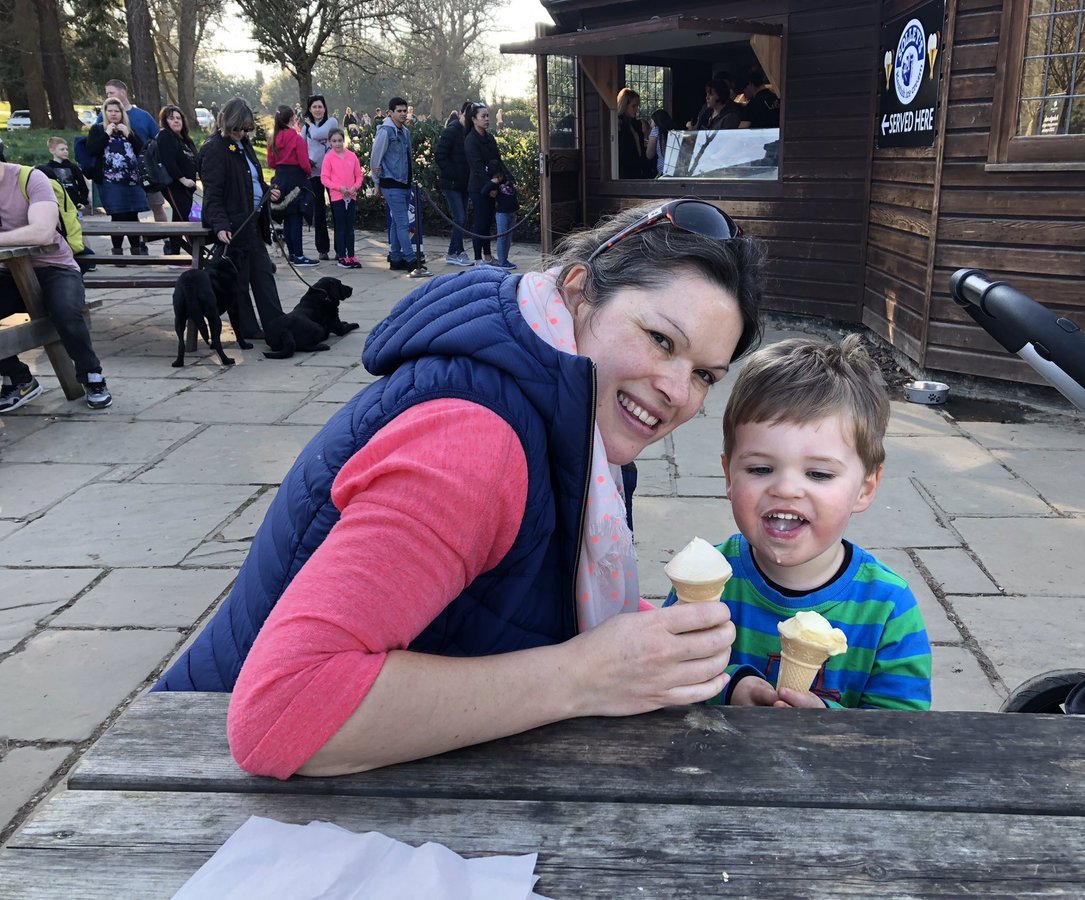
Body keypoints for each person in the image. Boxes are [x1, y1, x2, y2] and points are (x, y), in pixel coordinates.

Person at [153, 199, 764, 779]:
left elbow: (531, 597)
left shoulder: (581, 406)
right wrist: (583, 676)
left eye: (705, 375)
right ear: (579, 292)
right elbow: (279, 714)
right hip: (198, 804)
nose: (679, 392)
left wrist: (692, 671)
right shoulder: (476, 445)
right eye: (662, 340)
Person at [665, 336, 932, 711]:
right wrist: (731, 686)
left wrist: (827, 722)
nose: (787, 489)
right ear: (728, 476)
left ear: (864, 488)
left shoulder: (888, 609)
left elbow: (905, 730)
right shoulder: (707, 580)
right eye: (760, 468)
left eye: (819, 474)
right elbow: (665, 675)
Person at [0, 162, 111, 411]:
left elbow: (42, 233)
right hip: (7, 273)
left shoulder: (30, 179)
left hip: (55, 268)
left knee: (65, 312)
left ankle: (92, 375)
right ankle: (18, 378)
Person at [200, 97, 285, 338]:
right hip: (234, 226)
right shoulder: (214, 149)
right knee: (239, 281)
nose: (242, 132)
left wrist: (268, 190)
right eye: (238, 128)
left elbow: (252, 179)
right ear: (228, 122)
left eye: (246, 128)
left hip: (253, 222)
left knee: (263, 275)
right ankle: (247, 329)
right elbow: (213, 194)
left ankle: (276, 323)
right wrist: (220, 225)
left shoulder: (244, 144)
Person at [85, 98, 148, 256]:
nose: (113, 114)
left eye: (117, 111)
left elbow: (143, 150)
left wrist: (129, 135)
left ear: (122, 113)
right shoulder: (98, 129)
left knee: (133, 215)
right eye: (110, 111)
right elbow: (92, 149)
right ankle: (117, 253)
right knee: (118, 215)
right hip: (110, 181)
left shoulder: (128, 129)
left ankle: (136, 251)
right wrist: (107, 134)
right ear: (105, 113)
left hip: (132, 180)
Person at [105, 79, 168, 226]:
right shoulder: (105, 116)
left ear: (123, 92)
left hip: (147, 169)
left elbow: (158, 138)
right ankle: (139, 244)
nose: (108, 96)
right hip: (121, 173)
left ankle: (168, 239)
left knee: (157, 204)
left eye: (111, 92)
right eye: (107, 93)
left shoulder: (143, 116)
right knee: (130, 210)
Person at [369, 96, 418, 272]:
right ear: (390, 113)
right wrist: (376, 183)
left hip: (404, 183)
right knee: (404, 224)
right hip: (391, 184)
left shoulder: (405, 132)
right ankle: (411, 259)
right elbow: (375, 159)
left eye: (405, 111)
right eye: (399, 111)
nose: (403, 114)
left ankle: (396, 258)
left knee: (398, 223)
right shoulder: (385, 132)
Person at [267, 105, 318, 267]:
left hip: (280, 179)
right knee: (295, 218)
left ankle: (292, 253)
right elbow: (304, 162)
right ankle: (299, 256)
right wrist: (308, 172)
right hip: (296, 179)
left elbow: (271, 163)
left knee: (287, 218)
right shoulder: (296, 139)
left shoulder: (273, 138)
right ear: (292, 119)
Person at [155, 105, 199, 257]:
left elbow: (196, 160)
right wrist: (182, 179)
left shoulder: (185, 139)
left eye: (178, 118)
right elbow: (169, 161)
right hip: (174, 185)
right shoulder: (165, 136)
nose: (176, 121)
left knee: (178, 219)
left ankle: (175, 254)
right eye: (171, 118)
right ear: (165, 121)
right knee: (182, 220)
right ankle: (191, 253)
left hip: (188, 187)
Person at [434, 103, 472, 266]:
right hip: (451, 183)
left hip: (464, 183)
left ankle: (455, 251)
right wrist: (454, 174)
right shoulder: (451, 130)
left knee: (462, 218)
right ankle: (455, 251)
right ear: (462, 114)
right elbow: (440, 155)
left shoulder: (470, 132)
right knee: (460, 217)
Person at [463, 101, 501, 265]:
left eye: (487, 115)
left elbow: (497, 160)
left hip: (492, 184)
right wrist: (489, 186)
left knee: (488, 222)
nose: (487, 119)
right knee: (480, 223)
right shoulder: (470, 140)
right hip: (478, 188)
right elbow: (477, 167)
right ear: (474, 119)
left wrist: (498, 181)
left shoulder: (489, 137)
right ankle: (478, 259)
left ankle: (488, 255)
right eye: (483, 116)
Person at [321, 127, 363, 269]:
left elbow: (359, 176)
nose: (337, 144)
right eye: (334, 141)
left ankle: (351, 255)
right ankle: (342, 256)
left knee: (349, 227)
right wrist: (339, 188)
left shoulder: (352, 156)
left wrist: (354, 187)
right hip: (337, 197)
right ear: (329, 142)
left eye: (340, 140)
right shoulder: (329, 158)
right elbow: (324, 178)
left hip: (351, 196)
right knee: (340, 227)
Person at [302, 94, 335, 261]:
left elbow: (318, 134)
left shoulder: (332, 122)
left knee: (337, 210)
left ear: (325, 108)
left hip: (333, 173)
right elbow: (302, 146)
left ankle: (342, 249)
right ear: (310, 109)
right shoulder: (306, 128)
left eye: (320, 106)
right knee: (319, 211)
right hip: (314, 173)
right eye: (314, 107)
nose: (317, 110)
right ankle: (322, 249)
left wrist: (308, 124)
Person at [38, 137, 90, 210]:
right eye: (62, 149)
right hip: (56, 204)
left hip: (74, 204)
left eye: (66, 149)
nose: (65, 151)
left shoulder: (73, 167)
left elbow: (83, 186)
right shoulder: (47, 168)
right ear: (52, 150)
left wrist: (82, 201)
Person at [484, 158, 518, 270]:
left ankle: (505, 259)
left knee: (508, 238)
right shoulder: (494, 184)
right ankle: (502, 261)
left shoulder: (507, 178)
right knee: (502, 237)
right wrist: (492, 183)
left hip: (511, 211)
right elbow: (484, 191)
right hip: (502, 213)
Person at [616, 88, 647, 179]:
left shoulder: (636, 124)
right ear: (624, 105)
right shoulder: (618, 124)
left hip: (638, 168)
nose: (636, 109)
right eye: (633, 106)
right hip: (625, 171)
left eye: (638, 106)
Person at [646, 109, 675, 177]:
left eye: (651, 121)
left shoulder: (655, 130)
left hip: (663, 170)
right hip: (674, 168)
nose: (651, 124)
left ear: (655, 122)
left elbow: (649, 155)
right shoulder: (673, 130)